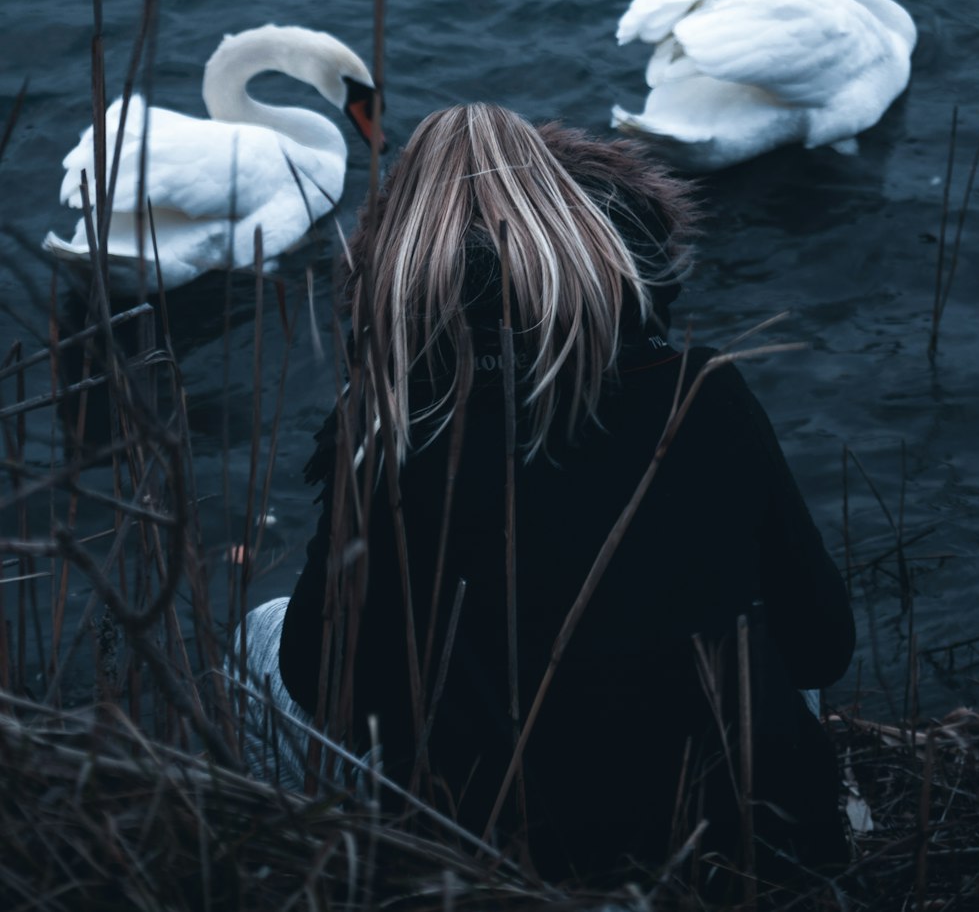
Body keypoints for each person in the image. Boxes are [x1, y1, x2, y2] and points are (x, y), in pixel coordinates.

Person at [275, 104, 855, 889]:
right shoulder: (700, 391)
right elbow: (824, 644)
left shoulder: (381, 426)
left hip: (498, 857)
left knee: (259, 638)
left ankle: (293, 853)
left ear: (400, 270)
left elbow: (325, 691)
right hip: (743, 842)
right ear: (607, 246)